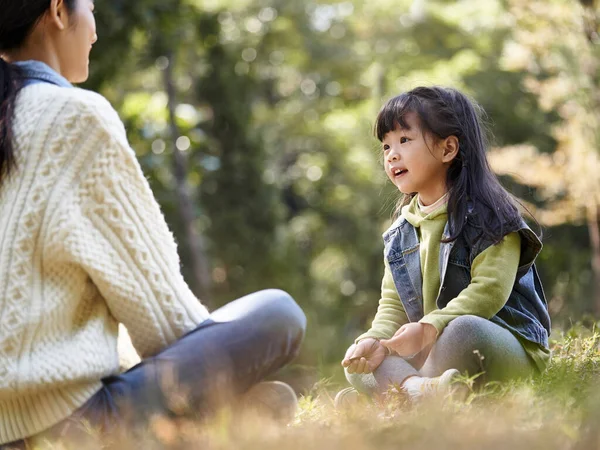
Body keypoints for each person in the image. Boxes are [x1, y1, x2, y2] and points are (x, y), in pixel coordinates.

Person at [0, 0, 306, 447]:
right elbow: (165, 322)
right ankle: (221, 419)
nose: (96, 32)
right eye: (91, 9)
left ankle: (223, 422)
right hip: (67, 425)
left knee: (262, 394)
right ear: (58, 12)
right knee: (279, 314)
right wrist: (226, 380)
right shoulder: (74, 117)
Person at [336, 86, 551, 406]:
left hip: (497, 346)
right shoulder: (400, 234)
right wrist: (376, 341)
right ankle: (421, 393)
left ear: (448, 148)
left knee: (462, 331)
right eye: (386, 146)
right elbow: (392, 307)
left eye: (404, 140)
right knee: (361, 361)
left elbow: (488, 292)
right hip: (433, 358)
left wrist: (427, 328)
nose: (392, 154)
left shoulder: (492, 216)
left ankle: (397, 396)